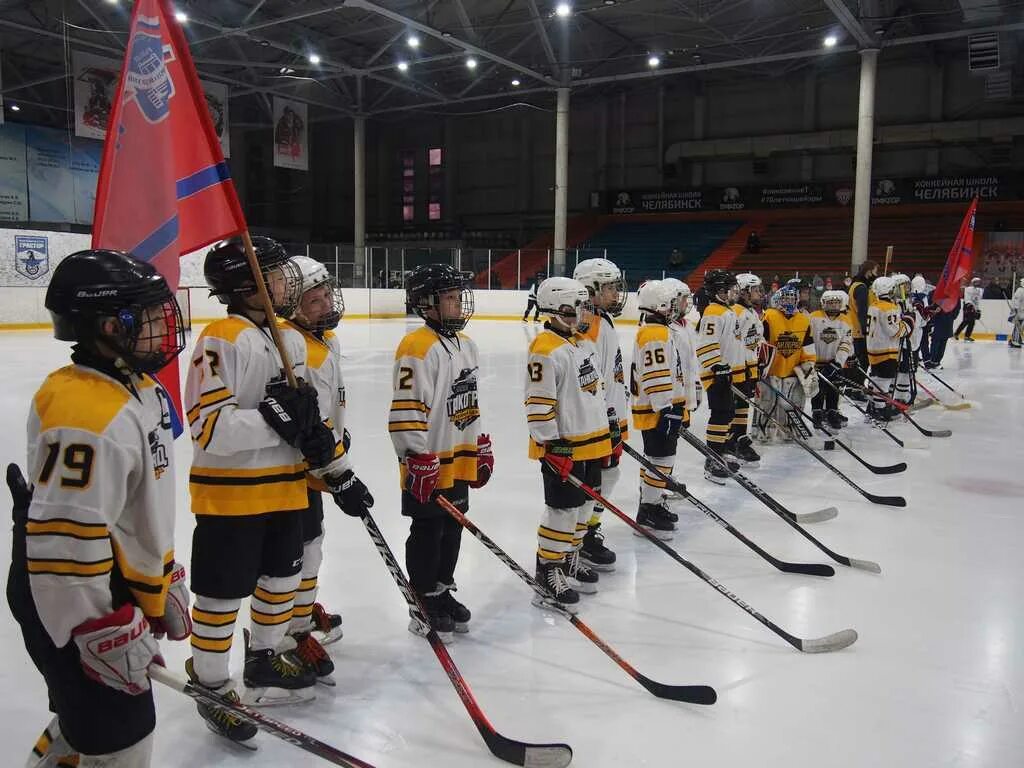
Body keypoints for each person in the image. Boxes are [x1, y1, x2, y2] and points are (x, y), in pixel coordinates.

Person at [7, 249, 189, 767]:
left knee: (86, 723)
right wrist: (95, 631)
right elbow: (64, 544)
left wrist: (160, 574)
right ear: (110, 325)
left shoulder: (141, 389)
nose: (164, 326)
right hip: (73, 596)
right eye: (151, 317)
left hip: (107, 585)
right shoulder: (86, 412)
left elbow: (140, 505)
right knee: (122, 744)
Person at [186, 237, 333, 734]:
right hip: (232, 496)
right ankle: (209, 680)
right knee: (222, 593)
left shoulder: (290, 340)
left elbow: (300, 414)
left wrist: (314, 437)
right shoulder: (221, 338)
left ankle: (264, 658)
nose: (285, 281)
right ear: (245, 284)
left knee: (281, 580)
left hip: (287, 489)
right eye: (273, 273)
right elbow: (207, 429)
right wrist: (277, 420)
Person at [278, 256, 374, 682]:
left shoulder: (326, 340)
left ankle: (299, 614)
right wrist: (339, 468)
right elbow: (303, 423)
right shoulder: (290, 347)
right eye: (313, 300)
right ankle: (287, 631)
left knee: (313, 544)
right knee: (296, 552)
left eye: (325, 294)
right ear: (291, 307)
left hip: (318, 465)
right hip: (292, 471)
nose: (325, 304)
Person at [389, 264, 490, 643]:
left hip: (458, 456)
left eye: (457, 296)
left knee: (453, 527)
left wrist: (478, 444)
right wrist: (415, 455)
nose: (458, 304)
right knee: (428, 529)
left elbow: (470, 402)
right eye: (449, 297)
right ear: (426, 304)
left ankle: (441, 590)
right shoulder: (416, 346)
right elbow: (406, 408)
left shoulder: (467, 345)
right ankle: (422, 602)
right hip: (428, 461)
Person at [525, 277, 611, 611]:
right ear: (557, 309)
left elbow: (594, 393)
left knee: (583, 509)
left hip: (591, 444)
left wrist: (608, 430)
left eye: (584, 306)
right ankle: (548, 572)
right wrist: (551, 444)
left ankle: (570, 558)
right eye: (576, 307)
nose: (583, 313)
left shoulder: (581, 343)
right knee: (562, 512)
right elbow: (538, 403)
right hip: (564, 448)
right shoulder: (545, 349)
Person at [573, 258, 628, 572]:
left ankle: (589, 531)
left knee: (609, 476)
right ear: (590, 289)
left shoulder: (602, 319)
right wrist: (605, 417)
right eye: (608, 287)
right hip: (599, 422)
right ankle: (580, 539)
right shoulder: (588, 324)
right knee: (594, 480)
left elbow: (610, 370)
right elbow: (589, 378)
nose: (615, 292)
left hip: (612, 417)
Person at [630, 280, 685, 538]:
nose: (674, 308)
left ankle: (650, 504)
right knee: (660, 459)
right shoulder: (654, 333)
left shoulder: (657, 329)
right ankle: (648, 510)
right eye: (671, 304)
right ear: (659, 305)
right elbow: (656, 375)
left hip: (658, 407)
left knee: (660, 459)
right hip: (656, 409)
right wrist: (665, 409)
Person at [697, 270, 742, 484]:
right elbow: (706, 343)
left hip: (725, 372)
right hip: (715, 374)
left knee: (728, 413)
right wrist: (717, 367)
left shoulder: (727, 310)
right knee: (720, 413)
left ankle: (721, 452)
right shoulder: (713, 312)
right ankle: (712, 459)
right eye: (729, 289)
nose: (734, 292)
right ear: (718, 291)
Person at [755, 285, 817, 442]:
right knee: (767, 403)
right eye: (785, 298)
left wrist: (808, 364)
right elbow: (761, 341)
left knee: (792, 403)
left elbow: (807, 345)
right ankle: (762, 432)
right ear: (778, 299)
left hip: (792, 370)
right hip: (771, 371)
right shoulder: (769, 316)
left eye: (792, 298)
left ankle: (788, 431)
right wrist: (760, 363)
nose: (789, 302)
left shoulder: (803, 319)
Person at [866, 275, 916, 419]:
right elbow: (896, 331)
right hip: (886, 351)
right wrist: (909, 320)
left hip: (874, 349)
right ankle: (880, 409)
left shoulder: (874, 305)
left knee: (875, 378)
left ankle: (872, 405)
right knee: (884, 380)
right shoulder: (889, 307)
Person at [730, 273, 764, 466]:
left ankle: (740, 438)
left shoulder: (750, 312)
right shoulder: (737, 312)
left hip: (748, 368)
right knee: (733, 407)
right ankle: (731, 441)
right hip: (737, 369)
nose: (759, 293)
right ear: (743, 292)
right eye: (755, 289)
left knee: (743, 406)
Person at [809, 290, 853, 430]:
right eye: (830, 303)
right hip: (817, 362)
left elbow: (846, 343)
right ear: (823, 303)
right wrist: (809, 360)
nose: (834, 306)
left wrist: (838, 362)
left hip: (834, 363)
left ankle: (832, 411)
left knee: (834, 388)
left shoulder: (845, 320)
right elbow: (808, 339)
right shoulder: (814, 317)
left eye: (836, 303)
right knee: (817, 389)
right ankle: (816, 413)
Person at [846, 260, 880, 398]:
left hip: (856, 328)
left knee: (859, 360)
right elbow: (863, 311)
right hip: (860, 330)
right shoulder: (861, 288)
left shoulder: (857, 285)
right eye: (875, 271)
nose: (876, 275)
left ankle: (852, 387)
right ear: (869, 271)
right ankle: (855, 389)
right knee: (863, 361)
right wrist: (867, 330)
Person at [954, 277, 983, 342]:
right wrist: (969, 305)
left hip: (974, 307)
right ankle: (956, 334)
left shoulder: (979, 290)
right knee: (966, 321)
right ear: (973, 282)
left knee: (972, 323)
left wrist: (977, 309)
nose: (978, 283)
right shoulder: (968, 289)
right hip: (968, 306)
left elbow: (977, 300)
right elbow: (966, 297)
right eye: (976, 282)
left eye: (979, 282)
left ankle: (967, 336)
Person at [1009, 277, 1024, 348]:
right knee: (1018, 326)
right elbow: (1016, 301)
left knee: (1019, 326)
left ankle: (1016, 339)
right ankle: (1015, 341)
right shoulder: (1020, 290)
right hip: (1019, 312)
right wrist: (1016, 311)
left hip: (1021, 311)